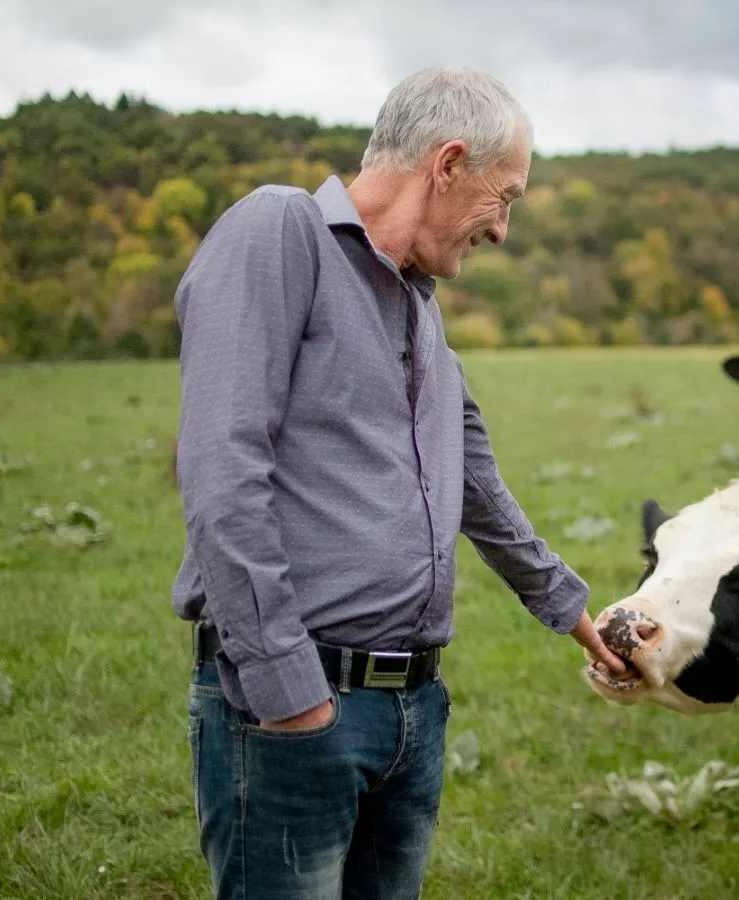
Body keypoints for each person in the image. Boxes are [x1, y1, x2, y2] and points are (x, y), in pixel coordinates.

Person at [171, 66, 625, 900]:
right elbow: (220, 471)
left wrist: (569, 608)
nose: (503, 232)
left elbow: (473, 476)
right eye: (506, 196)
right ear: (448, 163)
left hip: (413, 710)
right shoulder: (281, 231)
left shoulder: (418, 298)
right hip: (300, 711)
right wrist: (291, 698)